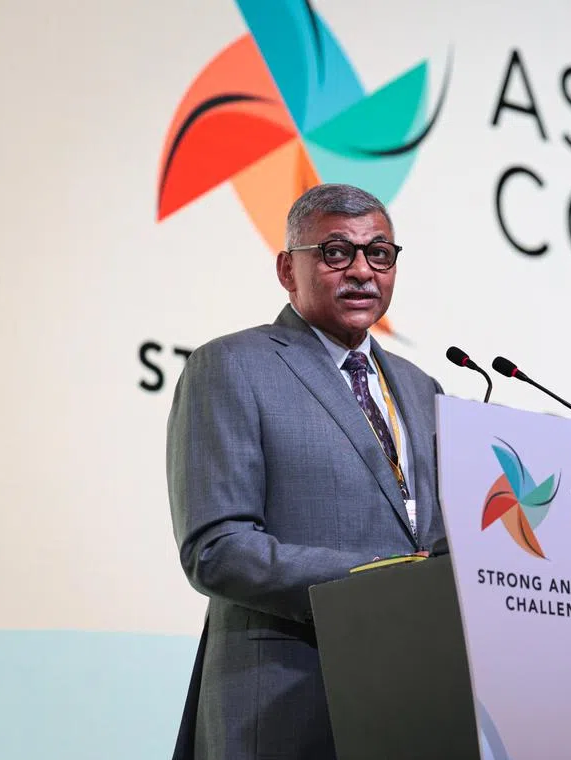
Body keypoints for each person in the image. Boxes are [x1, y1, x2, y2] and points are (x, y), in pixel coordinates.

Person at [166, 183, 446, 760]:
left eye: (380, 253)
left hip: (413, 704)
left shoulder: (423, 391)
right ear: (287, 270)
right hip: (287, 700)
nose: (362, 272)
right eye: (336, 252)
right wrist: (382, 579)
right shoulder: (232, 366)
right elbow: (217, 548)